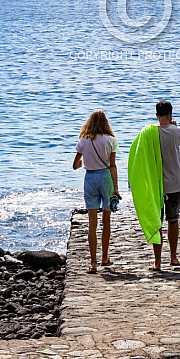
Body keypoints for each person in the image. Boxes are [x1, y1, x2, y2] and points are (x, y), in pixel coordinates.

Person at [73, 110, 121, 274]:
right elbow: (112, 165)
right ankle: (104, 258)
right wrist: (115, 187)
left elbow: (75, 165)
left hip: (90, 179)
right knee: (106, 219)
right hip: (106, 178)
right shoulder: (111, 141)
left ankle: (93, 263)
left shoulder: (83, 141)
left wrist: (86, 160)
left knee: (92, 223)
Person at [152, 100, 180, 271]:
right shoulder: (178, 131)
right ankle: (173, 257)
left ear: (156, 115)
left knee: (157, 222)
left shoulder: (151, 133)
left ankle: (157, 262)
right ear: (171, 114)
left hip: (156, 185)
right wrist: (177, 129)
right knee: (173, 220)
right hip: (174, 183)